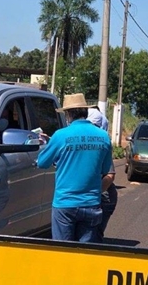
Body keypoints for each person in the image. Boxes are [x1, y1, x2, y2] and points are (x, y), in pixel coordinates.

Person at [37, 93, 113, 243]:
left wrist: (48, 146)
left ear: (68, 114)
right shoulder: (103, 136)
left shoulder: (60, 135)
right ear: (85, 111)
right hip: (91, 203)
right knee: (84, 255)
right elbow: (106, 171)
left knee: (63, 253)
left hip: (65, 203)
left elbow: (42, 163)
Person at [87, 108, 117, 242]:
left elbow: (110, 176)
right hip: (90, 199)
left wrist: (93, 192)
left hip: (103, 199)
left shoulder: (101, 144)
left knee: (94, 238)